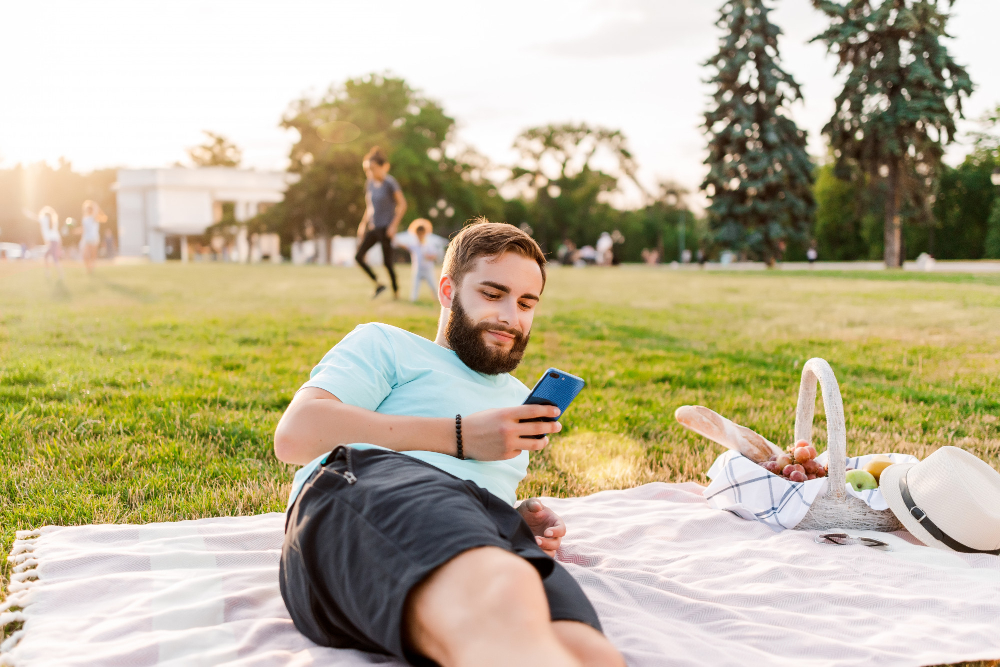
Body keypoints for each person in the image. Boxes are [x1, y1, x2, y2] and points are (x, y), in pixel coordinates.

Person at [275, 220, 624, 667]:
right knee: (499, 593)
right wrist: (460, 435)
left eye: (526, 303)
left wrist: (513, 518)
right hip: (361, 489)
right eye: (492, 294)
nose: (510, 318)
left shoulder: (519, 401)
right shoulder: (387, 344)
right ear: (447, 291)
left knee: (588, 651)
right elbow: (295, 434)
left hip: (478, 528)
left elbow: (454, 498)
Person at [355, 146, 407, 299]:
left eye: (372, 168)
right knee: (359, 257)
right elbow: (369, 207)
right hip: (373, 227)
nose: (370, 172)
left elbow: (402, 204)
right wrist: (362, 224)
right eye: (367, 169)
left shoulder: (390, 183)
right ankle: (378, 284)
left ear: (383, 167)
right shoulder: (369, 184)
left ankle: (396, 292)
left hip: (386, 229)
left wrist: (393, 226)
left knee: (387, 263)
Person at [398, 218, 440, 303]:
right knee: (415, 287)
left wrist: (429, 256)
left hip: (428, 269)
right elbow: (405, 246)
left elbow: (435, 255)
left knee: (433, 286)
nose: (420, 235)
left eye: (422, 233)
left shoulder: (428, 244)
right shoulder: (414, 244)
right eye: (418, 233)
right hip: (417, 269)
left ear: (425, 233)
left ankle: (437, 299)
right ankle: (413, 300)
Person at [38, 206, 64, 280]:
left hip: (52, 241)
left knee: (53, 258)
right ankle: (49, 272)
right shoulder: (54, 221)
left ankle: (60, 273)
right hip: (55, 241)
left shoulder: (45, 220)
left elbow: (38, 217)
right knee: (47, 256)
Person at [80, 201, 106, 274]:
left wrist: (95, 205)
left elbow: (104, 218)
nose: (88, 210)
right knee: (85, 255)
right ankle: (89, 268)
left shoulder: (94, 217)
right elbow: (83, 229)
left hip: (94, 238)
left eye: (90, 208)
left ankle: (91, 269)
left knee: (92, 255)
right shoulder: (85, 218)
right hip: (86, 238)